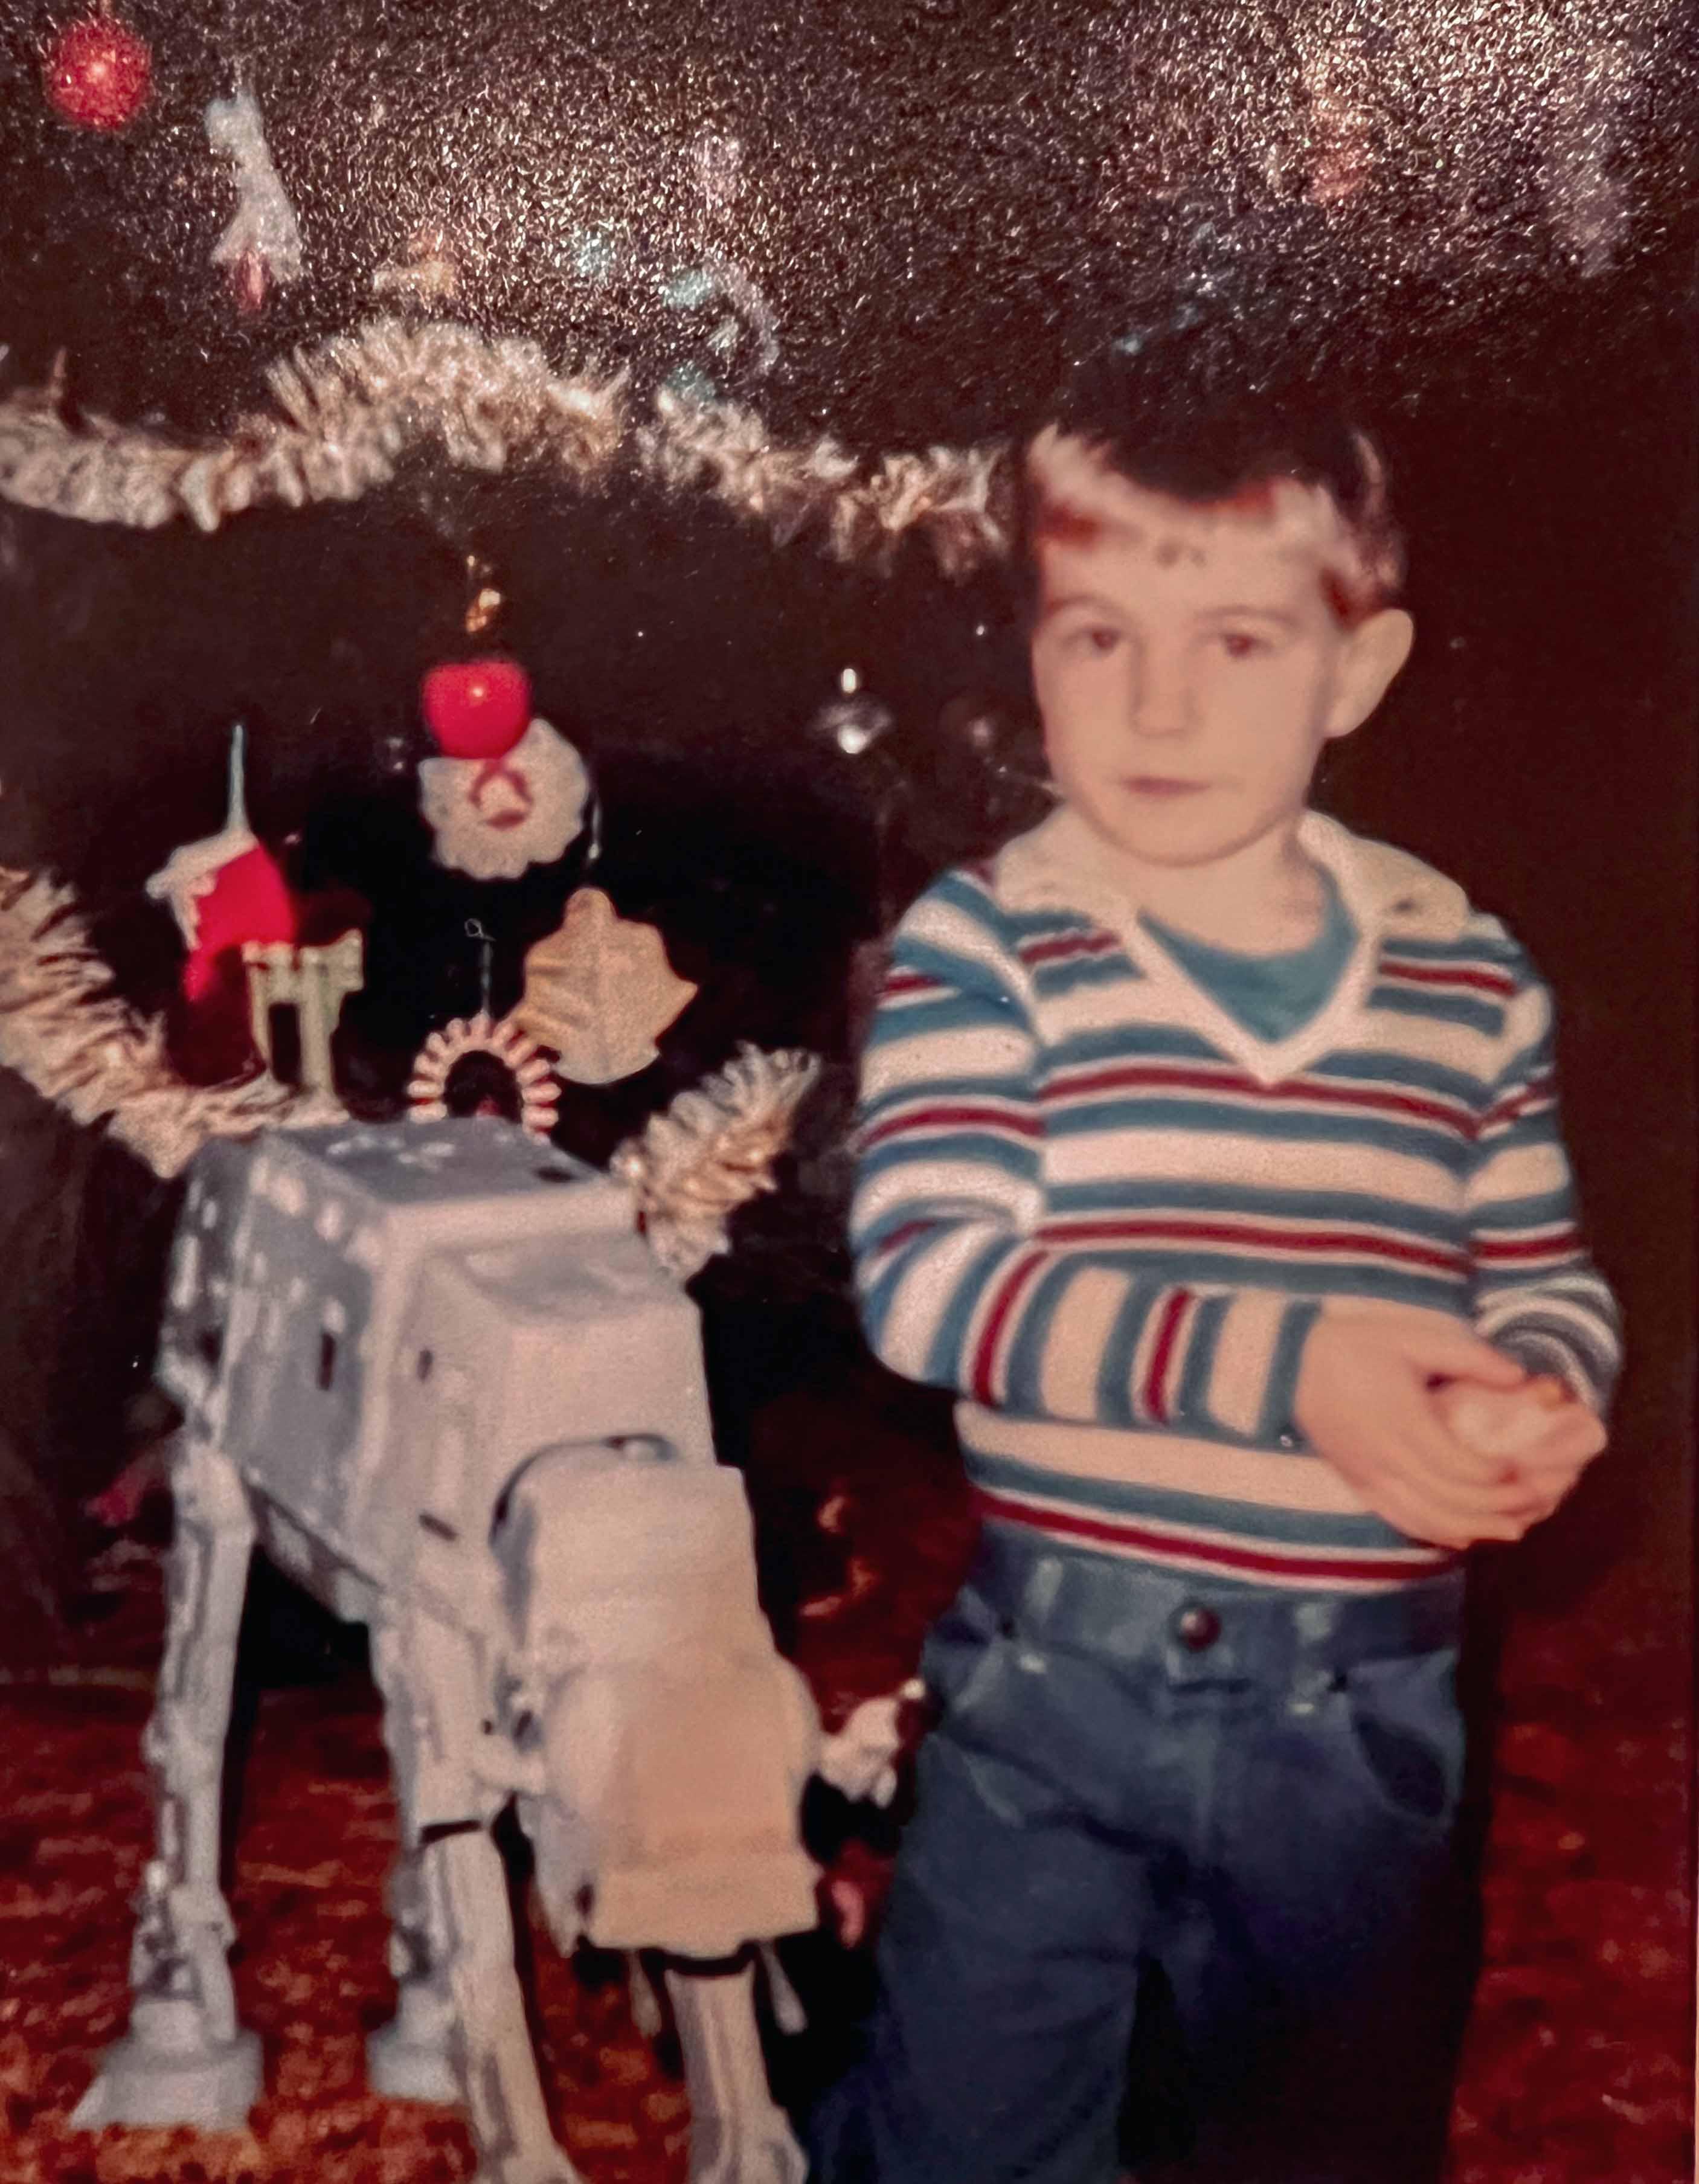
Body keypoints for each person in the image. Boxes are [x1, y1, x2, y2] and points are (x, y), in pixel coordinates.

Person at [807, 346, 1619, 2184]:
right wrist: (1297, 1363)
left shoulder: (1465, 979)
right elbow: (931, 1278)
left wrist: (1550, 1394)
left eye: (1240, 642)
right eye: (1099, 634)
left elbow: (1543, 1271)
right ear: (1035, 650)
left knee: (1321, 2140)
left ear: (1363, 665)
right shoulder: (990, 944)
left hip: (1365, 1716)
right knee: (964, 2136)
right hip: (1052, 1694)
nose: (1158, 704)